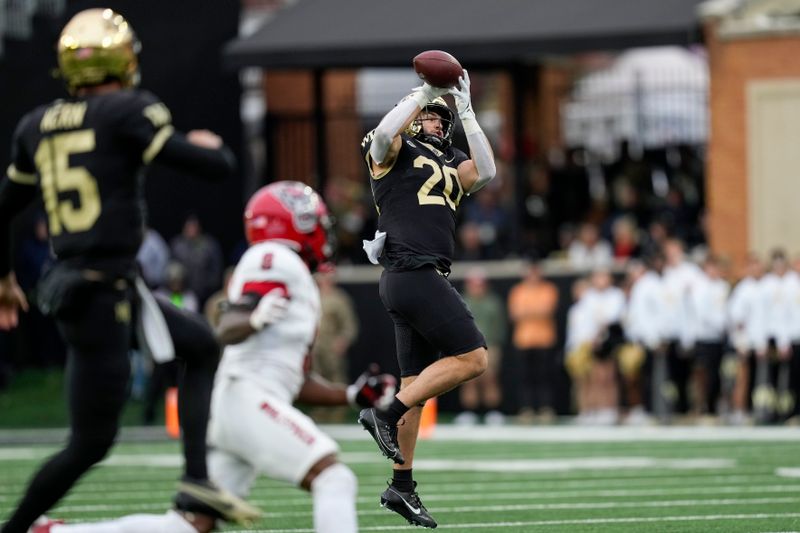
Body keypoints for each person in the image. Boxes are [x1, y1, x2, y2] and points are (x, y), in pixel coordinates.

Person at [0, 9, 258, 532]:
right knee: (90, 444)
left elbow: (4, 207)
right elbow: (212, 167)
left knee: (201, 345)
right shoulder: (126, 110)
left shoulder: (36, 124)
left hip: (100, 286)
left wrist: (5, 279)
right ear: (122, 58)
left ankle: (195, 478)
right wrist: (211, 147)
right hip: (98, 292)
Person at [27, 182, 399, 533]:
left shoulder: (294, 274)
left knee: (187, 526)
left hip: (244, 402)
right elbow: (228, 324)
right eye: (316, 222)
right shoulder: (273, 257)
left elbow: (295, 382)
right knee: (335, 478)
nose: (323, 231)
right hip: (246, 399)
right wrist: (251, 318)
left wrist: (351, 395)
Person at [357, 68, 496, 528]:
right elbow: (381, 136)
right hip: (411, 271)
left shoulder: (453, 161)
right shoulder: (394, 149)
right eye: (432, 117)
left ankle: (402, 486)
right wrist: (424, 92)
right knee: (474, 358)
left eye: (443, 118)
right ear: (415, 118)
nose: (439, 123)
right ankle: (385, 414)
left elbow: (488, 170)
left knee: (416, 387)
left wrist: (468, 111)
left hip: (414, 276)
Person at [507, 260, 559, 423]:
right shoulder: (517, 291)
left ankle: (545, 408)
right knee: (525, 377)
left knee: (544, 376)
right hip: (523, 340)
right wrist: (534, 311)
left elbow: (546, 311)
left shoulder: (549, 289)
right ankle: (526, 409)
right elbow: (515, 314)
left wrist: (528, 312)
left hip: (544, 340)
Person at [454, 267, 507, 426]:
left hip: (490, 345)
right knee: (468, 381)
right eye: (474, 284)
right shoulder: (461, 301)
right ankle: (469, 412)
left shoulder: (493, 302)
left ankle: (493, 411)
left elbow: (499, 326)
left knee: (490, 379)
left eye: (480, 284)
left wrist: (495, 344)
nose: (477, 287)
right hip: (467, 346)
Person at [310, 265, 360, 423]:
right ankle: (319, 414)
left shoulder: (339, 298)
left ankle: (337, 414)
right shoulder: (311, 296)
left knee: (336, 378)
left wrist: (343, 340)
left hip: (331, 344)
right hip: (315, 345)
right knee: (316, 378)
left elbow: (349, 325)